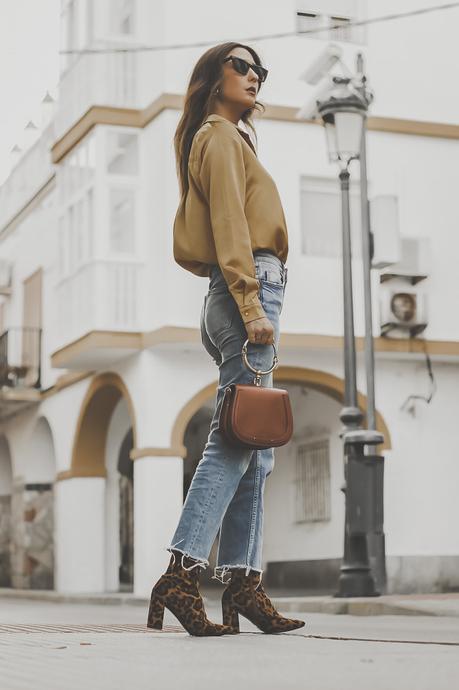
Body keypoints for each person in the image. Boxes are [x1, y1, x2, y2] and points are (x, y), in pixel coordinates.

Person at [147, 41, 305, 637]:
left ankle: (240, 580)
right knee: (236, 442)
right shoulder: (216, 134)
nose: (255, 74)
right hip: (247, 292)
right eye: (241, 65)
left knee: (256, 450)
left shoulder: (230, 139)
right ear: (214, 78)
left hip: (250, 289)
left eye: (260, 68)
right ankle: (181, 574)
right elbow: (230, 226)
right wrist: (250, 301)